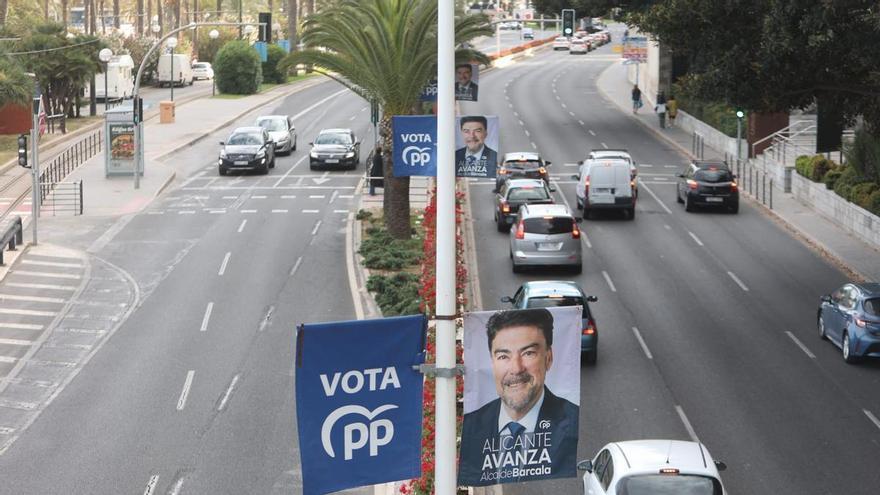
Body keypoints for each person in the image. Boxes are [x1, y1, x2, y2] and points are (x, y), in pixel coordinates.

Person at [458, 309, 579, 486]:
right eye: (503, 356)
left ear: (548, 358)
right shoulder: (472, 424)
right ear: (492, 363)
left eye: (528, 353)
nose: (516, 368)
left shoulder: (571, 416)